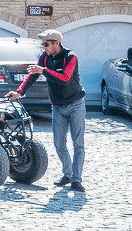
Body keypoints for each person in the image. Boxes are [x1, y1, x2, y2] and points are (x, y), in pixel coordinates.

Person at [6, 28, 86, 191]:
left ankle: (76, 180)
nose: (44, 47)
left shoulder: (71, 57)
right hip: (57, 106)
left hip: (76, 104)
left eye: (46, 44)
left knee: (78, 143)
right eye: (42, 44)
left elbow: (64, 78)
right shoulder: (45, 57)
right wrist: (19, 92)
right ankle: (67, 174)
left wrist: (44, 71)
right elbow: (33, 75)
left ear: (57, 43)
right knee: (58, 143)